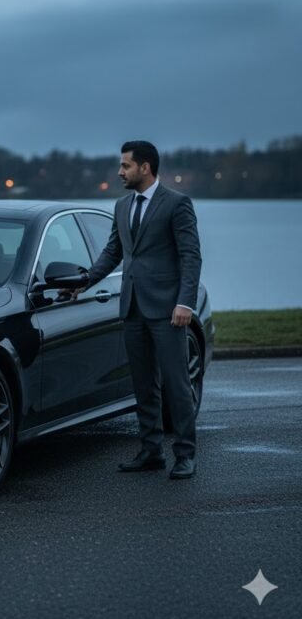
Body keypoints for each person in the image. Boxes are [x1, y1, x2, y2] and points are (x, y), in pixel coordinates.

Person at [73, 140, 202, 479]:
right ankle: (151, 451)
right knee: (143, 385)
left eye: (125, 166)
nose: (120, 172)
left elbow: (191, 257)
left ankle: (186, 454)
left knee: (176, 384)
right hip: (131, 307)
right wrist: (85, 280)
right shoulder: (121, 206)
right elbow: (113, 252)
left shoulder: (177, 204)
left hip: (167, 310)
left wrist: (184, 302)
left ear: (145, 167)